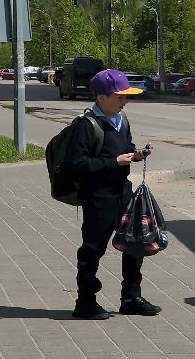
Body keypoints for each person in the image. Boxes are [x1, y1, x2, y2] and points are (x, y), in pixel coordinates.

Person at [66, 69, 160, 320]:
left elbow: (125, 148)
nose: (124, 101)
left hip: (122, 193)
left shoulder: (121, 119)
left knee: (134, 242)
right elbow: (76, 164)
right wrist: (113, 162)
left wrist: (136, 154)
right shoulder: (86, 125)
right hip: (98, 197)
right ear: (101, 97)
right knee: (93, 249)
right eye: (120, 97)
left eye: (126, 97)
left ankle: (131, 297)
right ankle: (85, 302)